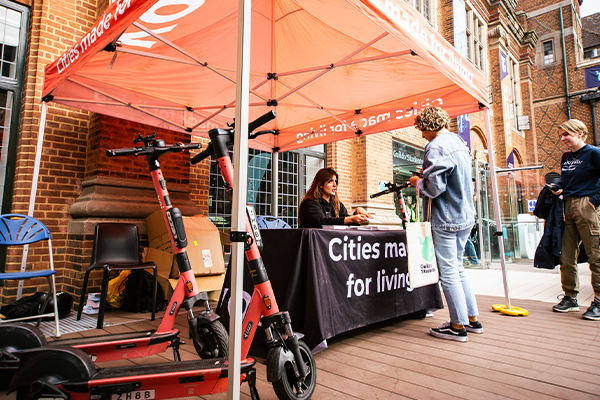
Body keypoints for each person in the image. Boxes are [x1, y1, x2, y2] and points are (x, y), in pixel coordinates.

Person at [408, 106, 481, 342]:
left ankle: (457, 326)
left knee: (448, 272)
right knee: (458, 268)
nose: (421, 135)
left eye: (422, 130)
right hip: (464, 216)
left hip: (446, 218)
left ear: (429, 126)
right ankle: (472, 320)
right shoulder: (459, 143)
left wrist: (418, 182)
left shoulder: (436, 146)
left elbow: (435, 188)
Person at [549, 119, 600, 320]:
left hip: (587, 206)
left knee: (596, 256)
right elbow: (567, 179)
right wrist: (557, 185)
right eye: (561, 135)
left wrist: (595, 201)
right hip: (567, 205)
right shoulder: (566, 157)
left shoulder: (594, 153)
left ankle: (598, 301)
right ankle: (570, 297)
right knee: (566, 255)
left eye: (566, 135)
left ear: (580, 133)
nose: (562, 139)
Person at [298, 167, 372, 228]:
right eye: (330, 181)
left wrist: (357, 214)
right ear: (320, 184)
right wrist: (352, 219)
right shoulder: (309, 203)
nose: (335, 185)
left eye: (336, 181)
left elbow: (348, 222)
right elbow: (321, 221)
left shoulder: (338, 205)